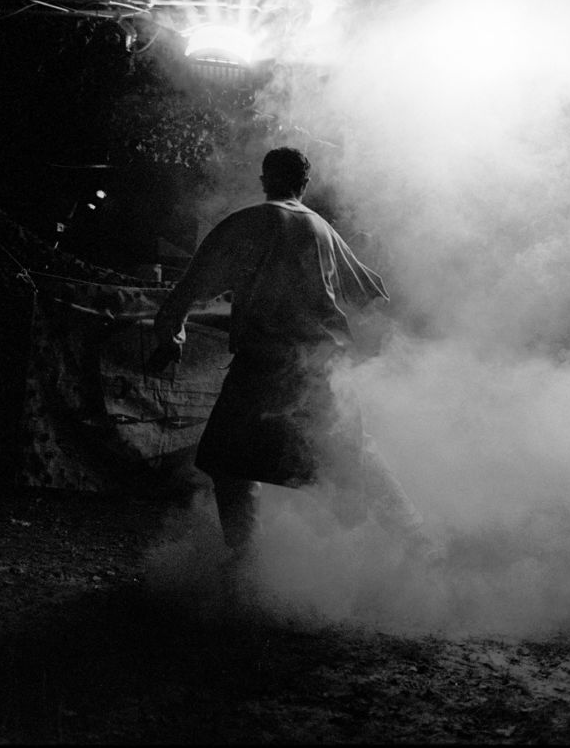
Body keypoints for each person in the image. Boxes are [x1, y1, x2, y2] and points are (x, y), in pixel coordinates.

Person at [151, 147, 436, 563]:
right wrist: (378, 352)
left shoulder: (245, 223)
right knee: (349, 456)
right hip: (319, 367)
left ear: (264, 179)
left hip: (263, 367)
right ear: (305, 184)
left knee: (227, 461)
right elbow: (371, 297)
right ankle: (417, 545)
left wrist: (169, 338)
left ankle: (246, 561)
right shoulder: (323, 230)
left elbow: (189, 289)